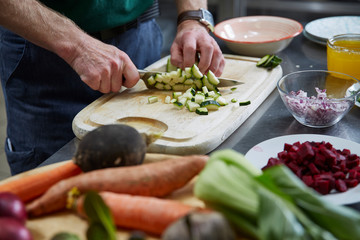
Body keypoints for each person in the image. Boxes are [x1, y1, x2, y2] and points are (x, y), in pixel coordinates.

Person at [0, 0, 225, 175]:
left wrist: (193, 18)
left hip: (140, 36)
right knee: (51, 176)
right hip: (43, 50)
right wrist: (77, 46)